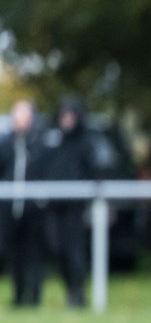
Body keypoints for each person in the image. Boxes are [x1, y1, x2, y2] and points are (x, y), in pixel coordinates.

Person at [39, 96, 98, 309]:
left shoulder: (85, 142)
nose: (66, 120)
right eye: (63, 115)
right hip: (54, 205)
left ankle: (77, 293)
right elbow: (43, 167)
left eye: (70, 115)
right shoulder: (52, 140)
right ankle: (70, 291)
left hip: (75, 206)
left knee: (75, 250)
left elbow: (93, 172)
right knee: (57, 249)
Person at [0, 99, 47, 308]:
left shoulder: (39, 144)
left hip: (33, 210)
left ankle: (34, 298)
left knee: (34, 255)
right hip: (10, 210)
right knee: (15, 256)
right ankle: (18, 297)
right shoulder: (6, 144)